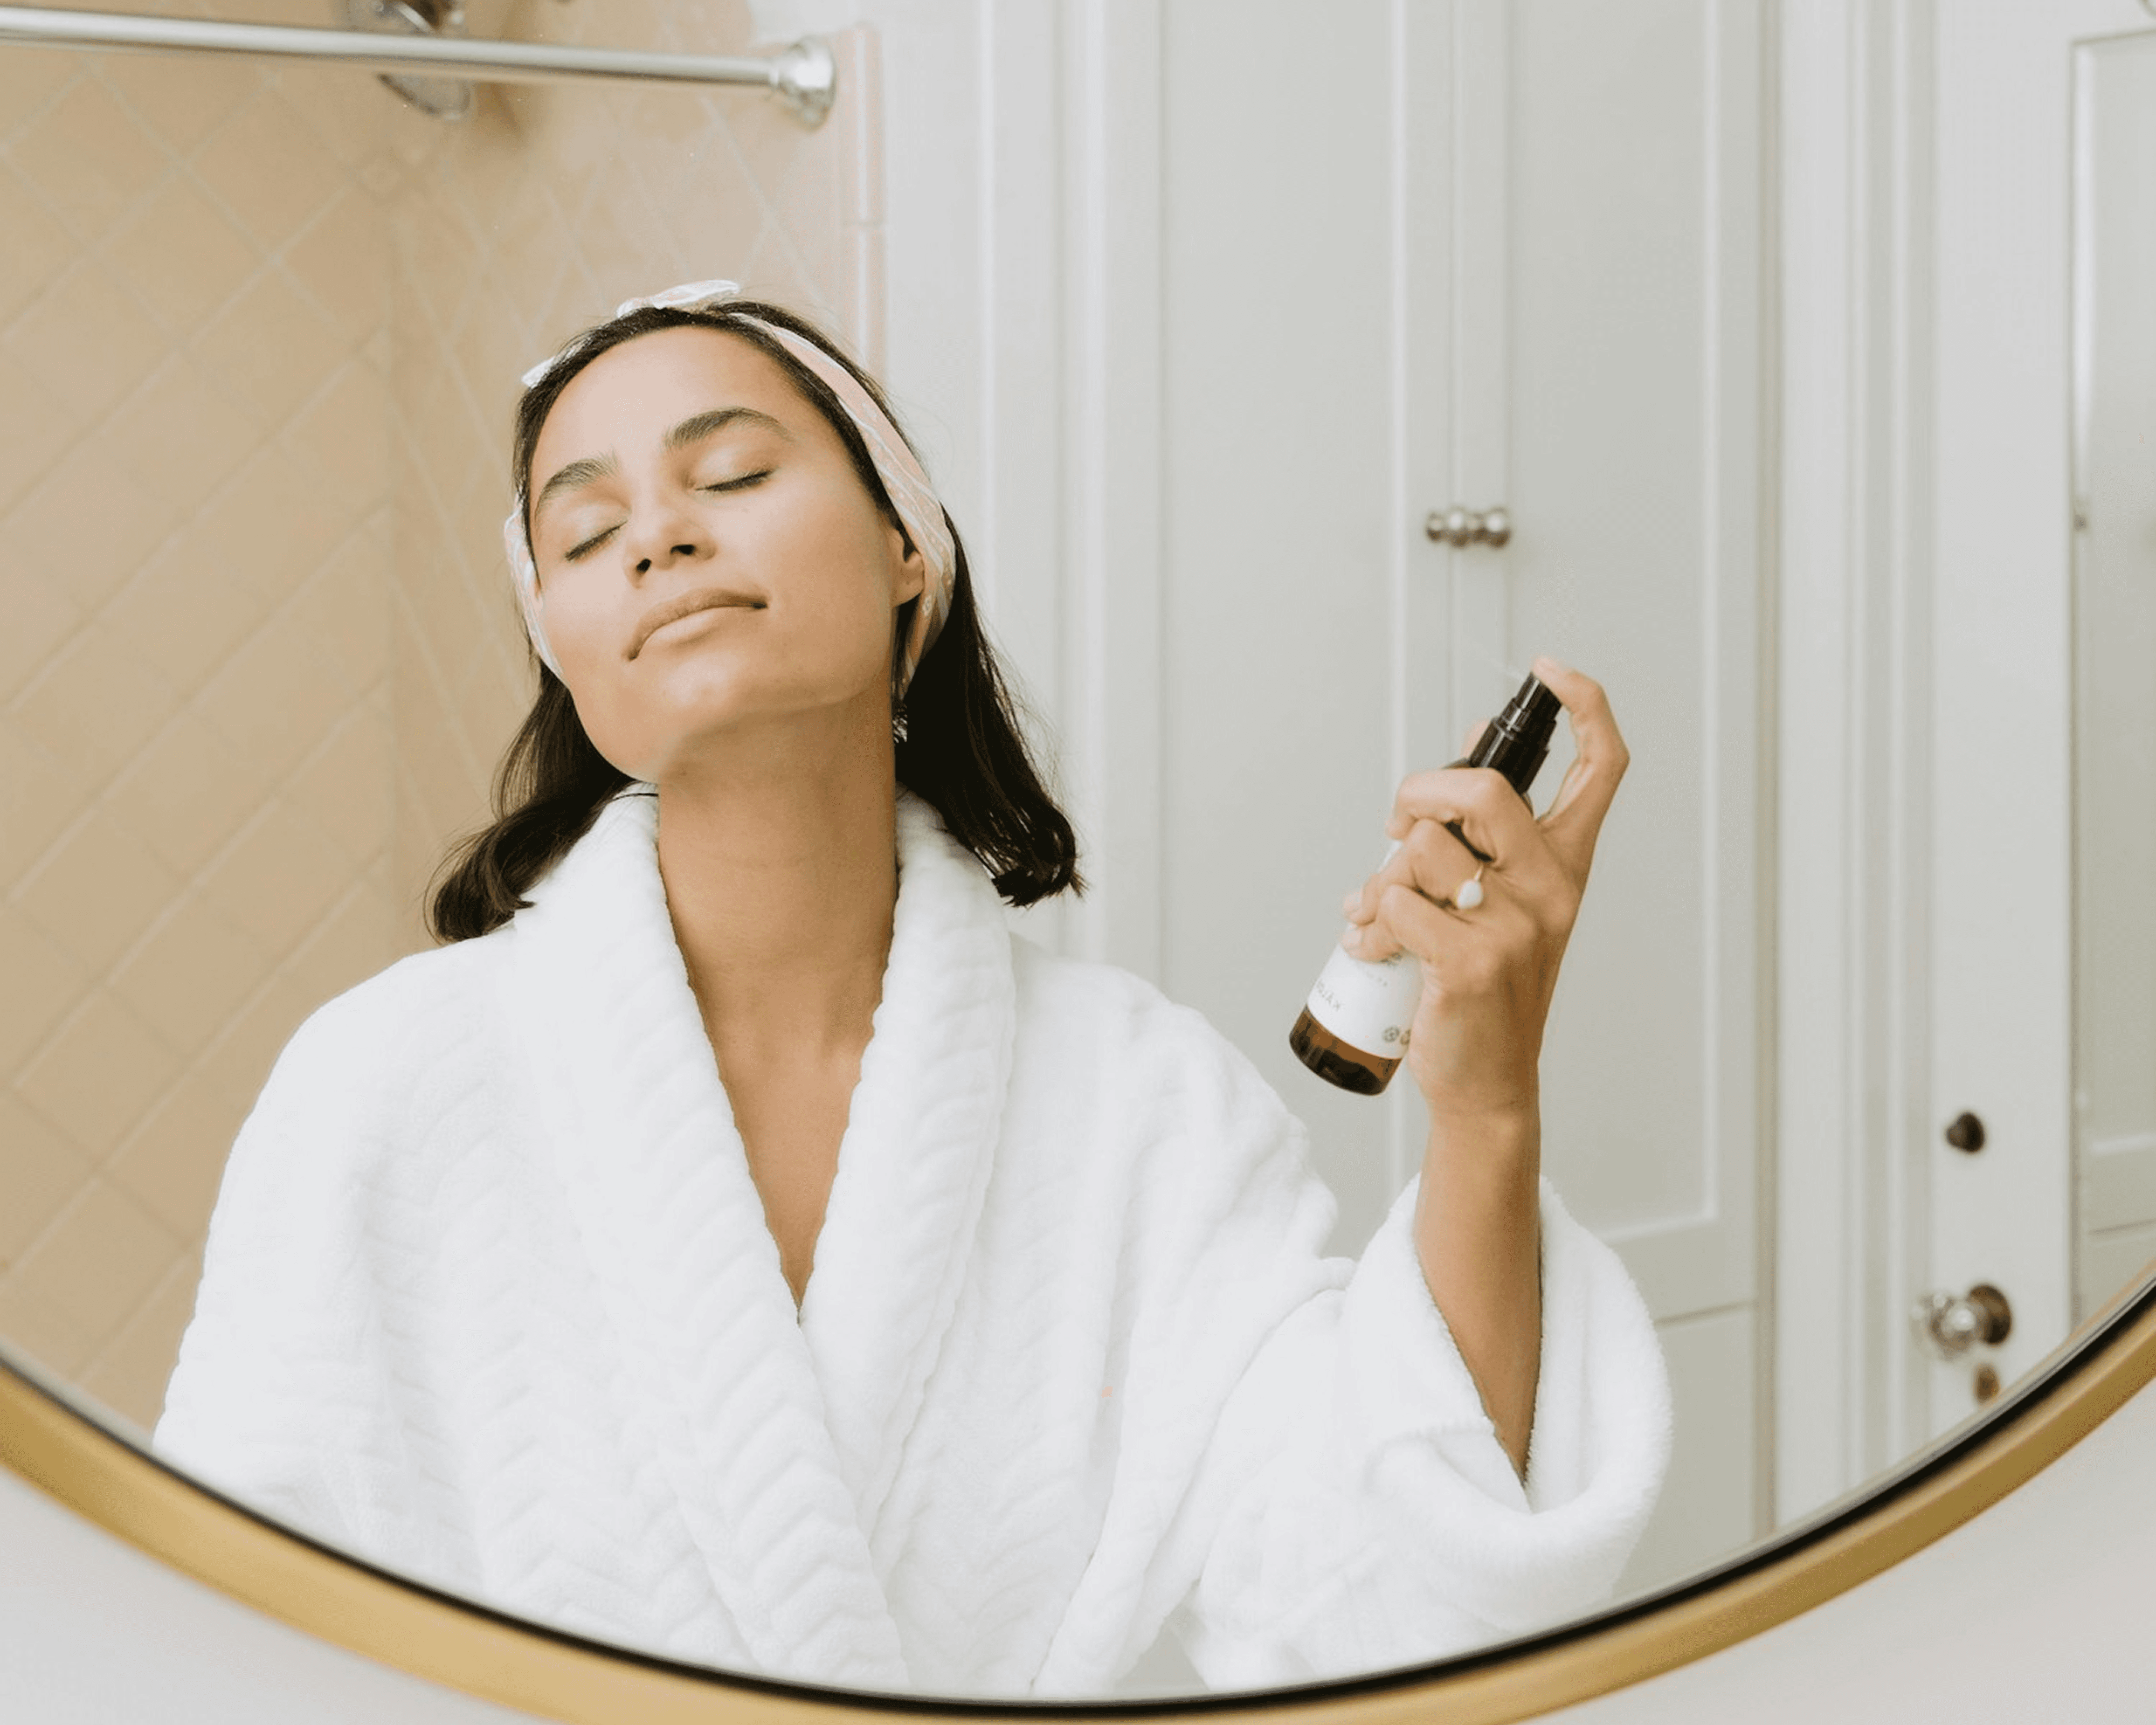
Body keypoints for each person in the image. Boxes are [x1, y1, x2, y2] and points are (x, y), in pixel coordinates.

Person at [155, 282, 1669, 1698]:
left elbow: (1380, 1605)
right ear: (560, 647)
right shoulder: (382, 1086)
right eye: (588, 525)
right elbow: (219, 1650)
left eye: (731, 475)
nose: (660, 537)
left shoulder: (1146, 1109)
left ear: (907, 551)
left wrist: (1484, 1109)